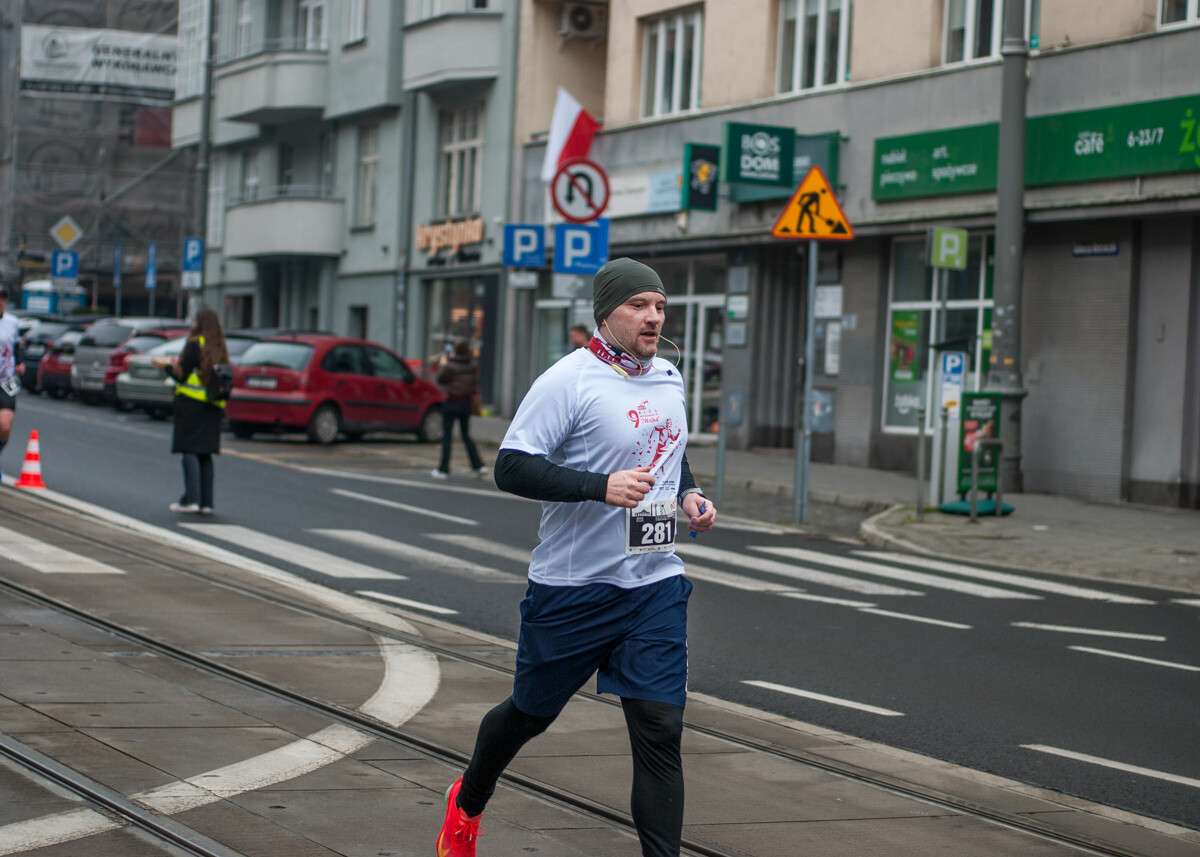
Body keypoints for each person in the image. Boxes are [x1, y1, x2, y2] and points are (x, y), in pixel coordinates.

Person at [436, 258, 717, 857]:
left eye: (660, 306)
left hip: (654, 584)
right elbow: (510, 466)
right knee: (529, 715)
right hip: (574, 587)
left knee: (660, 727)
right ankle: (468, 801)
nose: (653, 316)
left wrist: (688, 493)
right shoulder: (569, 380)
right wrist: (599, 486)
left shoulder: (669, 376)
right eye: (638, 305)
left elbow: (665, 448)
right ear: (607, 313)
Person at [153, 307, 228, 514]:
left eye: (195, 321)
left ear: (199, 323)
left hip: (191, 404)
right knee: (205, 453)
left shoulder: (196, 343)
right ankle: (206, 503)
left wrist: (166, 366)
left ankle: (191, 500)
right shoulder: (219, 345)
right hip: (213, 406)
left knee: (189, 450)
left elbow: (182, 375)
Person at [432, 339, 486, 479]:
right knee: (466, 435)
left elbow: (440, 379)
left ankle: (443, 469)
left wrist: (443, 363)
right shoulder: (473, 365)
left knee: (447, 436)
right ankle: (478, 465)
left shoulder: (450, 365)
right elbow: (475, 382)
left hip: (451, 401)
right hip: (466, 403)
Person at [0, 283, 25, 462]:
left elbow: (17, 345)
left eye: (3, 298)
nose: (0, 302)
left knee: (4, 427)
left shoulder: (12, 322)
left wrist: (20, 363)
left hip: (6, 382)